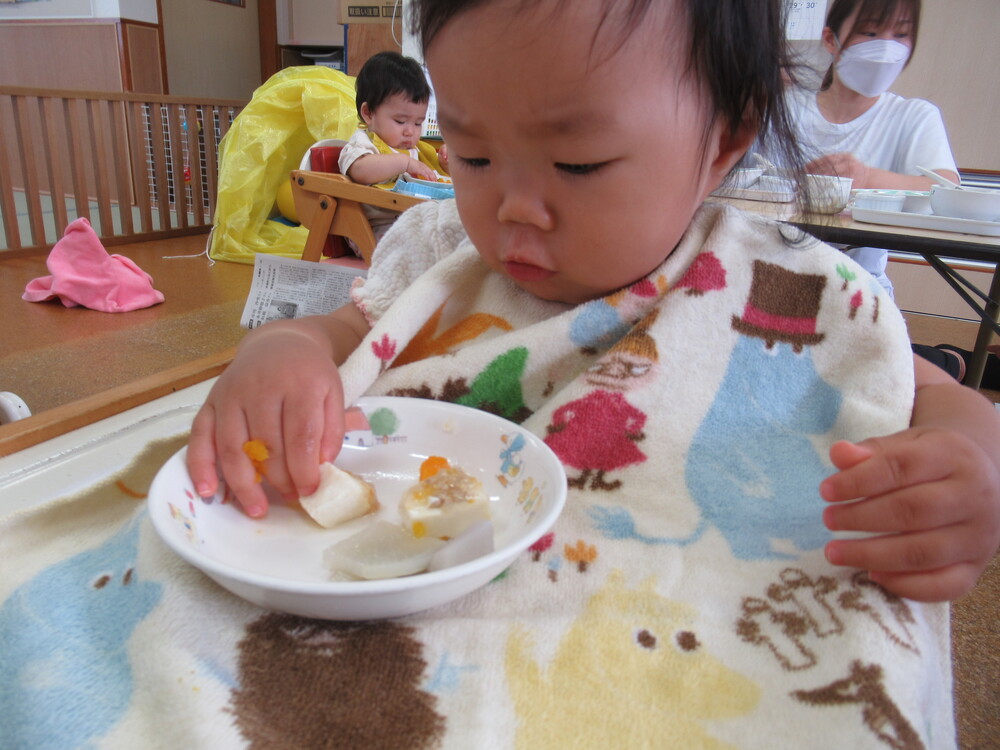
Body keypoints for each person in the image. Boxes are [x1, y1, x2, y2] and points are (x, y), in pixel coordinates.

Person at [188, 1, 999, 743]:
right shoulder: (443, 255)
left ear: (724, 137)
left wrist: (974, 467)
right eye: (471, 154)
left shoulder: (790, 290)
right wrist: (280, 353)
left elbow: (928, 396)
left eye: (577, 165)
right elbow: (346, 332)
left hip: (671, 652)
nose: (513, 208)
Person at [786, 0, 958, 299]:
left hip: (860, 290)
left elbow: (946, 190)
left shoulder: (914, 116)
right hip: (771, 273)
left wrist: (865, 177)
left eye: (901, 35)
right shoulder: (786, 107)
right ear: (831, 40)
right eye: (869, 32)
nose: (886, 48)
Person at [336, 50, 450, 246]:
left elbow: (438, 181)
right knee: (424, 246)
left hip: (417, 222)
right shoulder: (364, 143)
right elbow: (360, 171)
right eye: (400, 121)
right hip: (375, 231)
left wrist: (446, 164)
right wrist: (403, 163)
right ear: (369, 113)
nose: (410, 132)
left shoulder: (417, 150)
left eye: (417, 123)